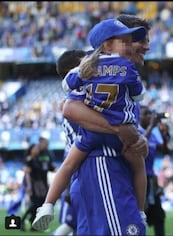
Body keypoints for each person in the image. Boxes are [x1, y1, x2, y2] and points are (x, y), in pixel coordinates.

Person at [32, 18, 149, 235]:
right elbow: (69, 108)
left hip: (94, 164)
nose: (145, 46)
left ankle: (48, 204)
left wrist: (138, 137)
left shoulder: (100, 76)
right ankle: (141, 211)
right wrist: (120, 129)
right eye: (130, 40)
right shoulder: (107, 74)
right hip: (101, 164)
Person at [52, 49, 87, 236]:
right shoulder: (76, 103)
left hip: (79, 172)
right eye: (86, 60)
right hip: (83, 173)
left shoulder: (74, 100)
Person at [139, 105, 169, 235]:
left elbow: (163, 149)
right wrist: (151, 126)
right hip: (138, 180)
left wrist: (164, 133)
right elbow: (138, 145)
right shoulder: (135, 131)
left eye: (150, 114)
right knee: (139, 216)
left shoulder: (152, 134)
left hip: (151, 179)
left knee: (159, 217)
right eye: (146, 114)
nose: (149, 117)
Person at [21, 140, 56, 231]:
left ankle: (32, 224)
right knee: (35, 204)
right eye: (35, 148)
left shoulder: (38, 158)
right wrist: (28, 186)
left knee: (39, 204)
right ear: (31, 150)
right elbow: (27, 173)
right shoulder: (29, 159)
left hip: (42, 184)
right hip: (35, 184)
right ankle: (23, 220)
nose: (37, 150)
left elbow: (48, 167)